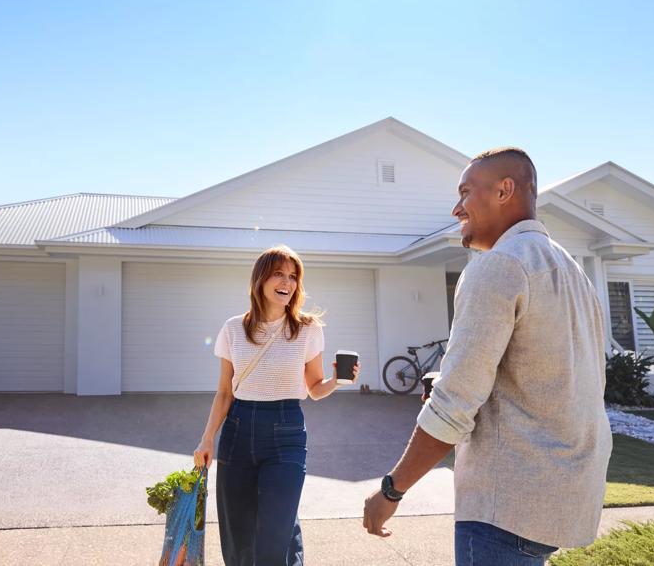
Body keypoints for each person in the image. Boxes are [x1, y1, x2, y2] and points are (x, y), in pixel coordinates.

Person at [362, 148, 612, 565]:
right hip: (565, 500)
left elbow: (453, 404)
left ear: (505, 190)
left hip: (505, 508)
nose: (456, 207)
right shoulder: (573, 272)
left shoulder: (498, 266)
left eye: (465, 192)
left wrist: (391, 490)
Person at [194, 244, 360, 566]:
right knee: (238, 534)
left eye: (293, 276)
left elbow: (314, 388)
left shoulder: (307, 328)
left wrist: (338, 381)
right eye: (279, 274)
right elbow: (224, 393)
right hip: (238, 430)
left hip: (286, 431)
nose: (288, 282)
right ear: (260, 280)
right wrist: (207, 438)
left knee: (275, 532)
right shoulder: (233, 328)